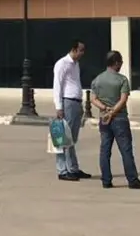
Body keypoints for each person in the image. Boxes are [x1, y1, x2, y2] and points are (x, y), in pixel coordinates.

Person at [90, 51, 140, 189]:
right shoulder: (122, 80)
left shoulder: (98, 79)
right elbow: (123, 100)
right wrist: (113, 111)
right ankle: (132, 180)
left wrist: (105, 109)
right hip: (120, 118)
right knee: (126, 150)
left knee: (105, 150)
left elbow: (93, 99)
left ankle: (106, 180)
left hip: (104, 118)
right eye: (121, 62)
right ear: (116, 63)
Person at [52, 40, 91, 181]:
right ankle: (62, 170)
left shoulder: (76, 64)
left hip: (76, 103)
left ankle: (73, 168)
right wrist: (59, 106)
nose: (82, 53)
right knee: (63, 138)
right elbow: (57, 86)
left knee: (72, 139)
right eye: (81, 50)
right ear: (74, 49)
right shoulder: (62, 64)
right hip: (67, 102)